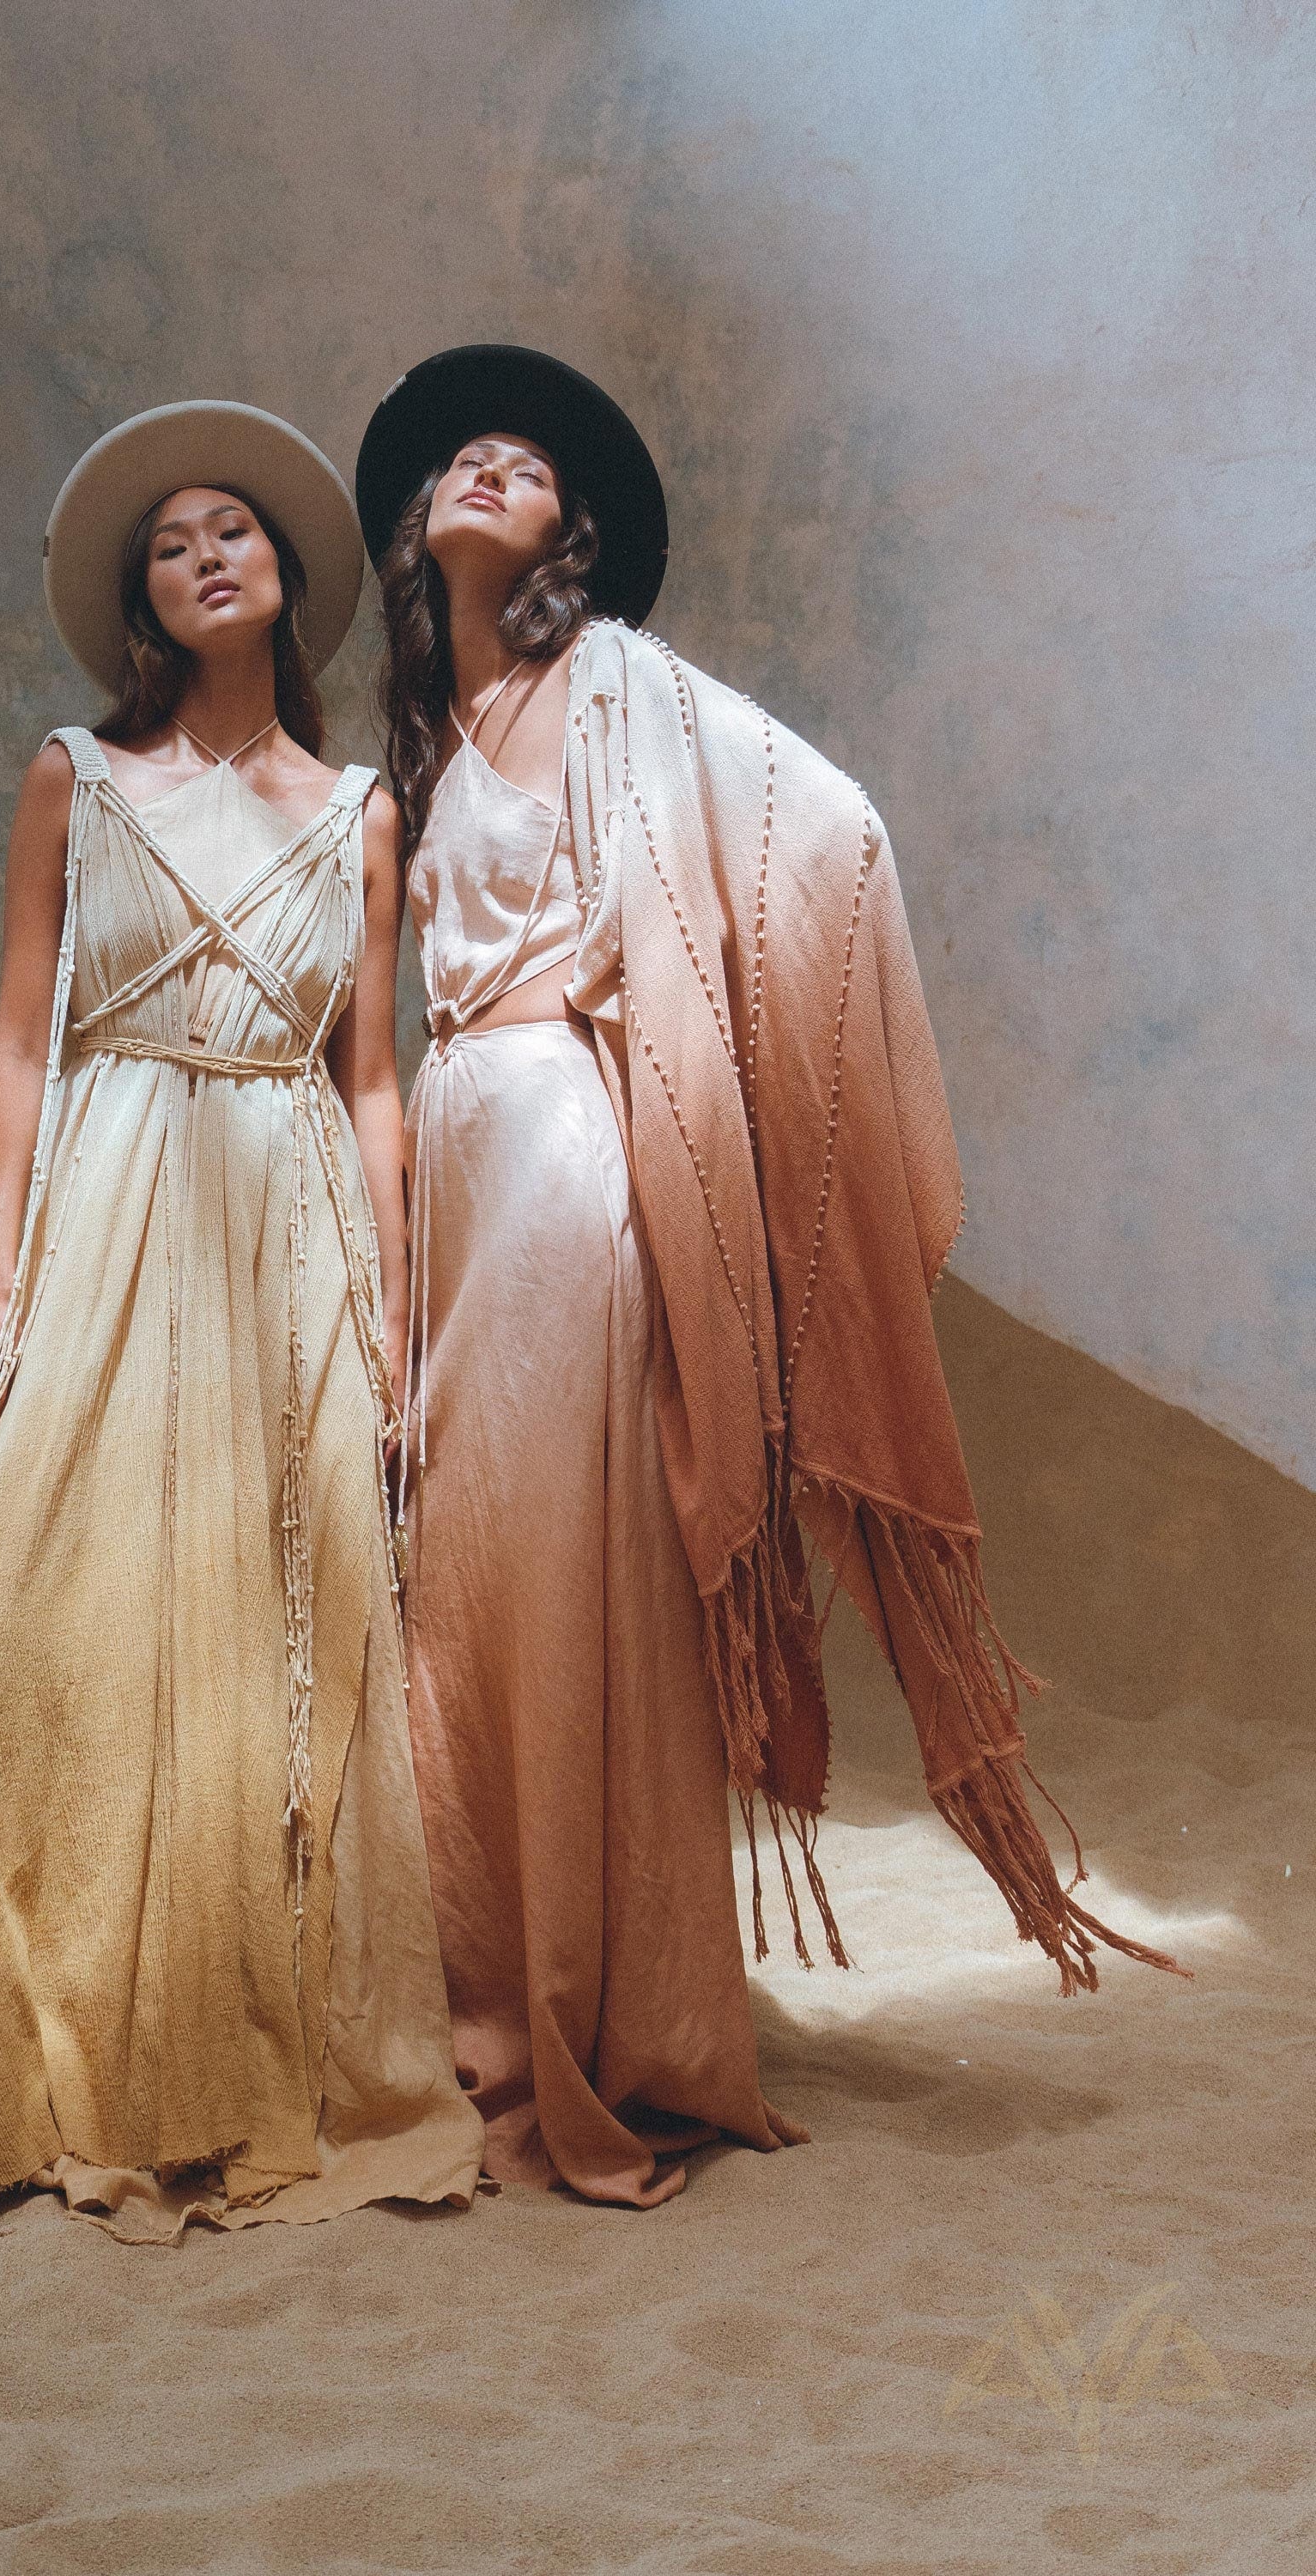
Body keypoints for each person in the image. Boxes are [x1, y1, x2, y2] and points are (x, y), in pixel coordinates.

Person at [356, 344, 1180, 2208]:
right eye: (464, 458)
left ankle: (607, 2024)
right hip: (464, 1184)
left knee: (570, 1577)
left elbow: (836, 835)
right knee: (470, 1576)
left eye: (531, 463)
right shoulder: (427, 740)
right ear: (418, 529)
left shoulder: (616, 684)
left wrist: (681, 1034)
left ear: (576, 534)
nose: (494, 464)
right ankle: (503, 1994)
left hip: (568, 1160)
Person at [0, 400, 482, 2239]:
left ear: (285, 579)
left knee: (268, 1639)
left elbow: (371, 1081)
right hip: (109, 1199)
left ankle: (233, 2061)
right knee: (8, 1618)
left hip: (286, 1222)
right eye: (174, 540)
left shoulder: (360, 814)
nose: (208, 553)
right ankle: (23, 2071)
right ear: (144, 598)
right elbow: (23, 1039)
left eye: (237, 532)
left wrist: (391, 1313)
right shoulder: (71, 777)